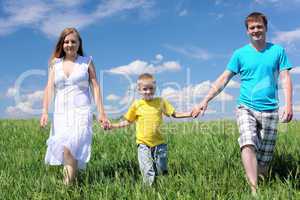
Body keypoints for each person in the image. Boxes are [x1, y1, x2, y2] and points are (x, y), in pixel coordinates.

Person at [191, 12, 293, 194]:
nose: (256, 30)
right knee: (247, 142)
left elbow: (285, 78)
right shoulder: (239, 54)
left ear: (266, 28)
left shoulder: (278, 51)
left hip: (270, 110)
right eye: (252, 28)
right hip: (246, 106)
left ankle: (261, 183)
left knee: (263, 163)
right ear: (247, 31)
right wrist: (204, 100)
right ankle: (254, 191)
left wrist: (289, 104)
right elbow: (224, 79)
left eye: (259, 26)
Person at [40, 27, 110, 185]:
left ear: (79, 44)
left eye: (73, 41)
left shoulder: (86, 62)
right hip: (60, 114)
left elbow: (96, 87)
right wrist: (44, 111)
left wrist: (102, 113)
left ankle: (66, 189)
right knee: (66, 152)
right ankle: (73, 185)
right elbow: (49, 88)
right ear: (61, 44)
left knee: (69, 150)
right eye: (66, 41)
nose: (69, 44)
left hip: (81, 112)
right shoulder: (55, 64)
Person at [104, 73, 192, 185]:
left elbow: (174, 114)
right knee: (147, 170)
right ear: (139, 90)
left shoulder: (160, 102)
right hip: (143, 144)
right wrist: (113, 126)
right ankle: (149, 191)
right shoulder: (137, 105)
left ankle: (163, 186)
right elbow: (128, 121)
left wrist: (189, 114)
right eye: (145, 89)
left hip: (159, 144)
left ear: (155, 88)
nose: (148, 91)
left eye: (151, 88)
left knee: (161, 169)